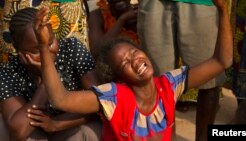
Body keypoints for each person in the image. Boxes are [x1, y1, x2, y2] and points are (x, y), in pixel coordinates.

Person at [34, 0, 232, 140]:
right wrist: (43, 47)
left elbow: (221, 61)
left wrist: (222, 11)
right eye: (125, 63)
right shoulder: (113, 97)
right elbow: (61, 99)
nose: (135, 61)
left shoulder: (169, 85)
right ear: (120, 78)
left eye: (134, 53)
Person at [0, 7, 102, 141]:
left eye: (51, 43)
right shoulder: (9, 70)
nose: (47, 53)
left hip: (71, 125)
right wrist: (44, 79)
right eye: (38, 50)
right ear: (19, 50)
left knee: (90, 131)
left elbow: (102, 103)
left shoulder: (71, 49)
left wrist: (56, 124)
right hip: (37, 133)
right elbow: (19, 131)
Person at [137, 0, 227, 140]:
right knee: (155, 83)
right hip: (153, 3)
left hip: (202, 3)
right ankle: (167, 137)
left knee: (209, 79)